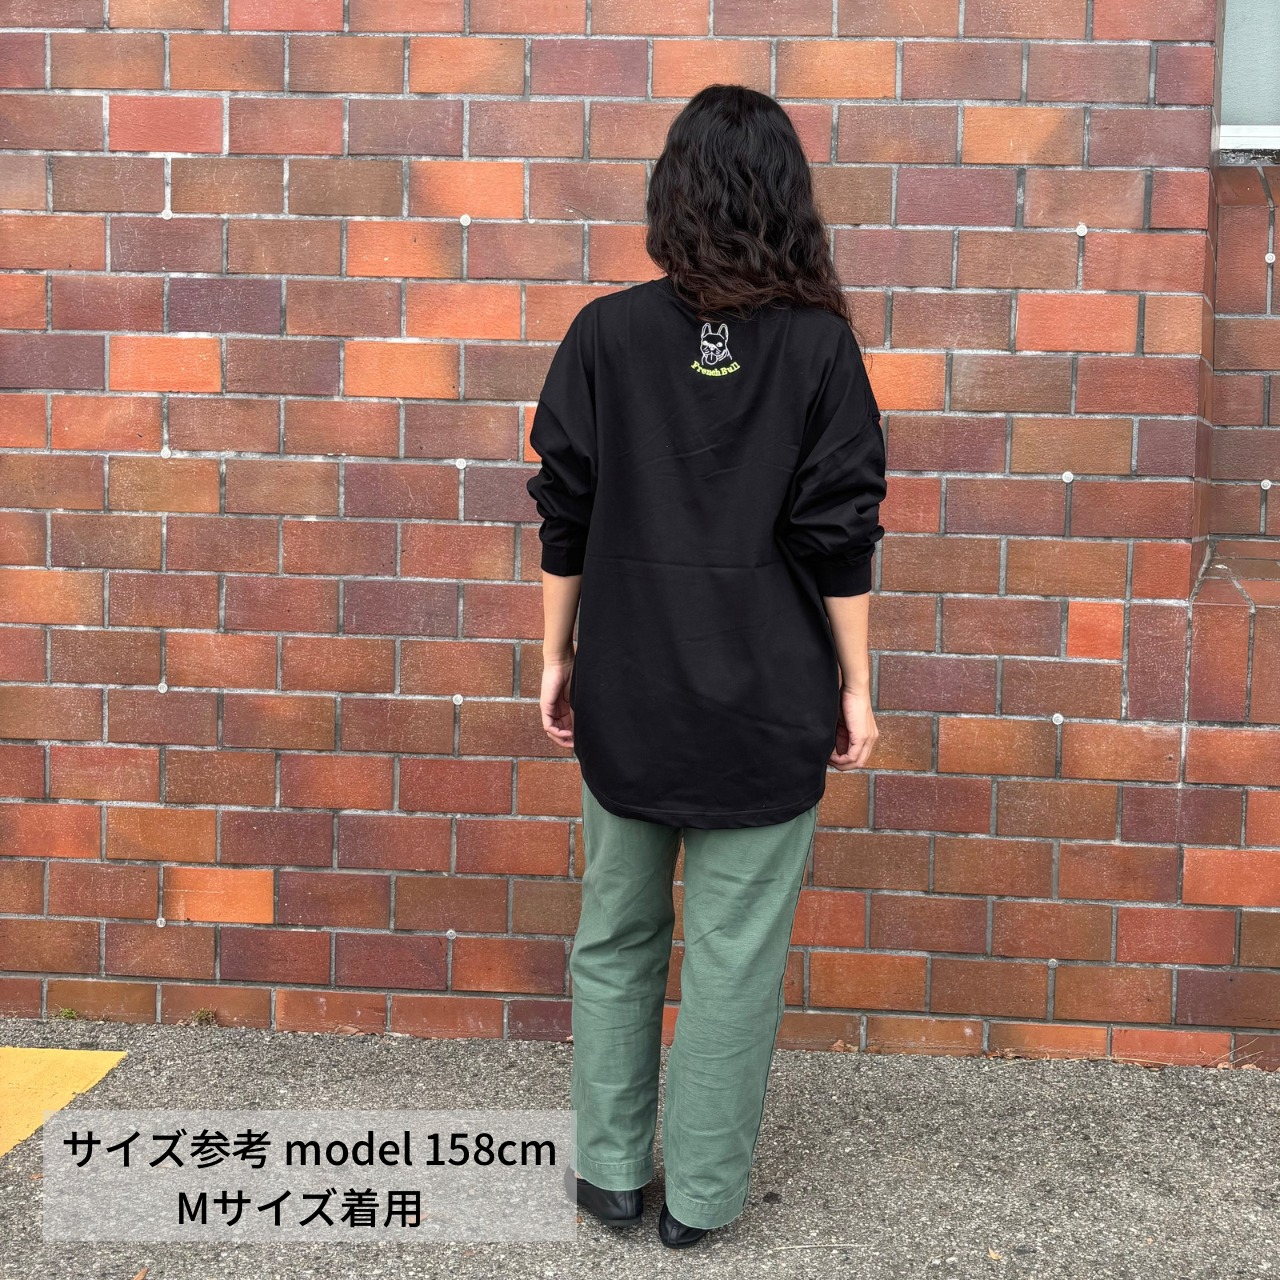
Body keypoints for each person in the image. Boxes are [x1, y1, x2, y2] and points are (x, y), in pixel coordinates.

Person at [525, 83, 888, 1249]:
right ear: (788, 201)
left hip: (627, 686)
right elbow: (838, 532)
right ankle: (699, 1202)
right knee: (732, 959)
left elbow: (565, 509)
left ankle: (608, 1173)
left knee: (613, 936)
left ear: (669, 195)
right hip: (766, 699)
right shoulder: (819, 347)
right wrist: (855, 686)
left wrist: (555, 655)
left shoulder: (604, 335)